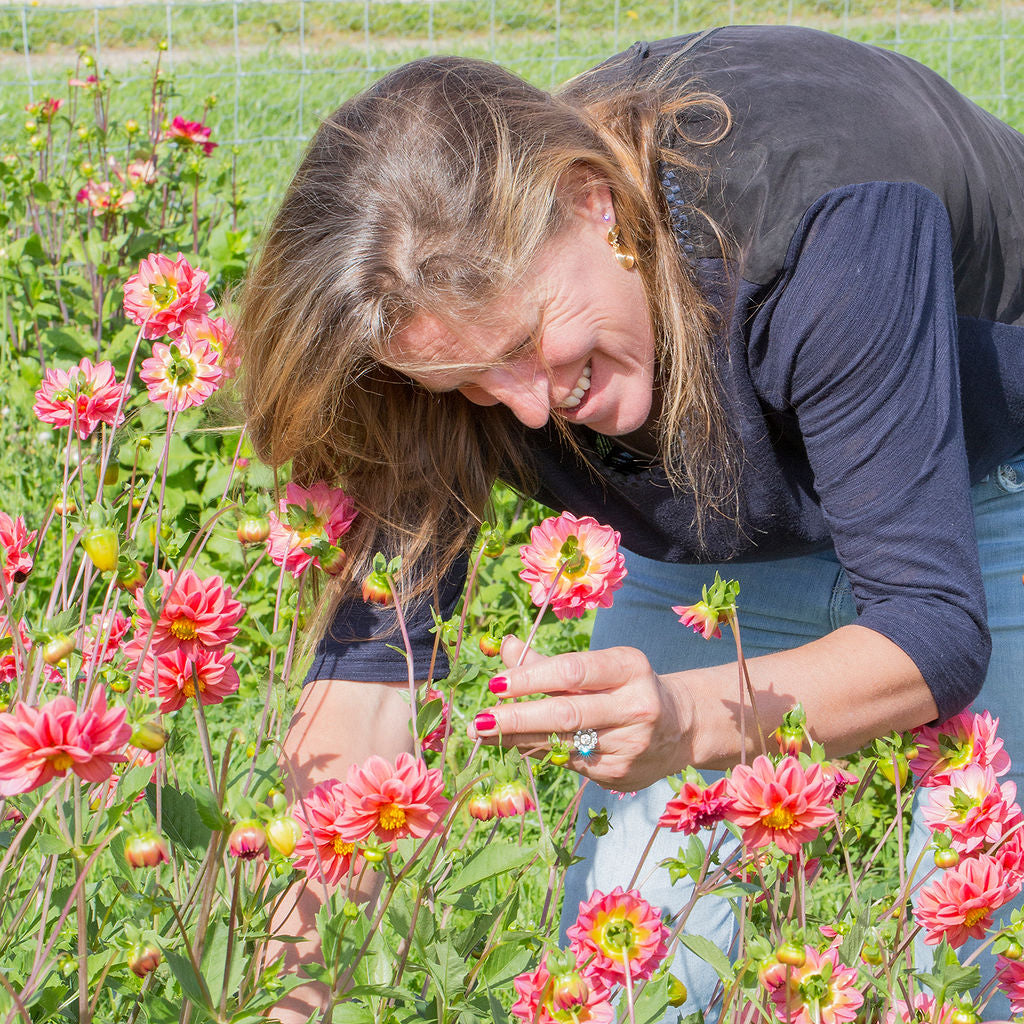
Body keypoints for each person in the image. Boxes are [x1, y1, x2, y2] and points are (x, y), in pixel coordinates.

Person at [237, 24, 1024, 1019]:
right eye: (472, 380)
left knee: (978, 946)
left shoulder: (822, 224)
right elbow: (369, 676)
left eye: (527, 343)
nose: (527, 408)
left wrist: (687, 715)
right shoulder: (444, 317)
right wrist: (292, 977)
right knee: (627, 966)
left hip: (985, 474)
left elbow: (934, 634)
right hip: (725, 527)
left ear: (591, 201)